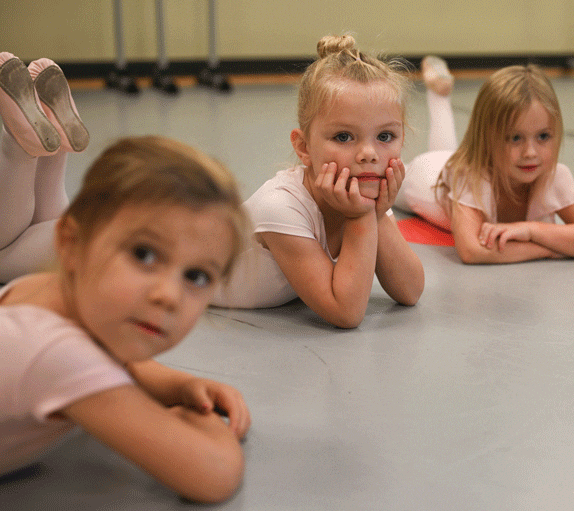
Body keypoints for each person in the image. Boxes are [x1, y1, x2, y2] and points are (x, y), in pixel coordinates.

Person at [0, 53, 252, 503]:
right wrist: (203, 428)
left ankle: (33, 148)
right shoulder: (53, 352)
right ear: (71, 245)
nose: (168, 295)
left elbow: (107, 356)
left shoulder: (43, 295)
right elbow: (210, 475)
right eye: (143, 254)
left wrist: (175, 386)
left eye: (196, 276)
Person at [213, 35, 424, 328]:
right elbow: (346, 312)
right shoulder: (280, 206)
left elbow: (410, 290)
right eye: (343, 137)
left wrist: (374, 214)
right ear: (303, 147)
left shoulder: (358, 189)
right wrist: (362, 217)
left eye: (385, 136)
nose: (369, 154)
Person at [395, 56, 574, 264]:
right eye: (515, 138)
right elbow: (472, 250)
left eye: (543, 136)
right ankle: (439, 97)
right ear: (486, 138)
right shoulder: (470, 176)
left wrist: (531, 231)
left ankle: (439, 94)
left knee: (449, 152)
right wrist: (549, 249)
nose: (530, 152)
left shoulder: (553, 175)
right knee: (393, 179)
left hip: (456, 163)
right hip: (425, 177)